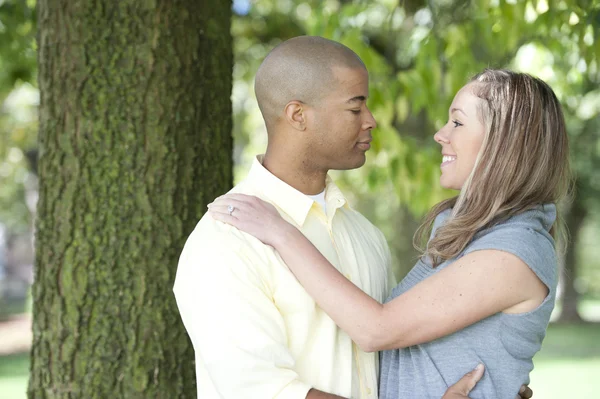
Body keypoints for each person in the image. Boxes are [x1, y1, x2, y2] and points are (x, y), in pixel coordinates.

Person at [173, 36, 521, 399]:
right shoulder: (225, 240)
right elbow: (263, 392)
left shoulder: (363, 234)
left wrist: (489, 385)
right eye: (355, 109)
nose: (371, 121)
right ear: (298, 115)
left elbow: (393, 360)